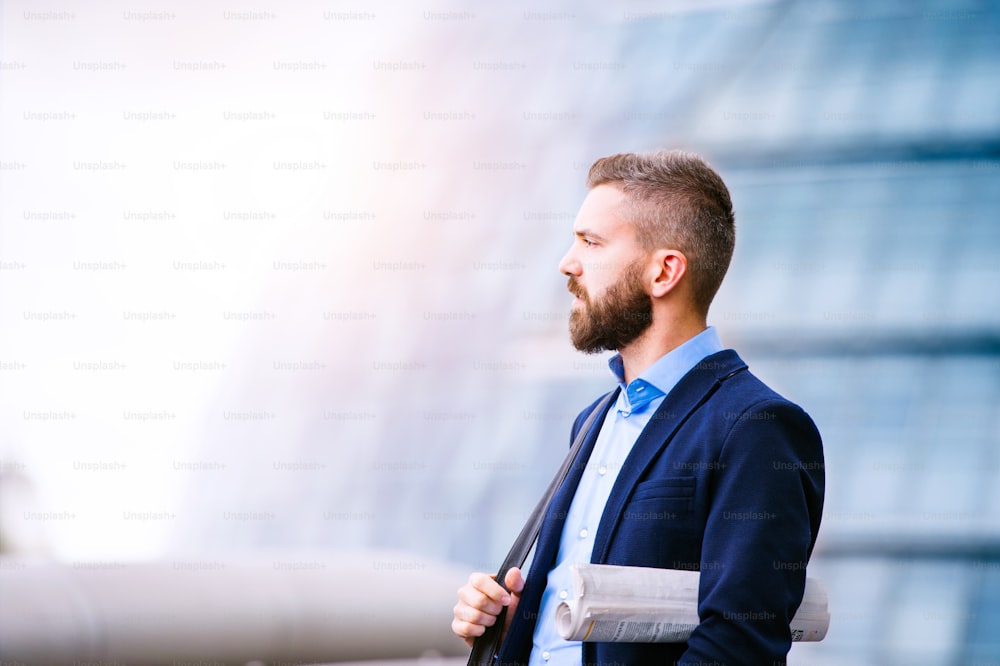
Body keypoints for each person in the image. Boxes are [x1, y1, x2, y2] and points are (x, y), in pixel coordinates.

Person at [452, 150, 825, 666]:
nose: (568, 262)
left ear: (664, 271)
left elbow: (739, 645)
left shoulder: (758, 428)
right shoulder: (594, 421)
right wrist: (519, 627)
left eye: (591, 242)